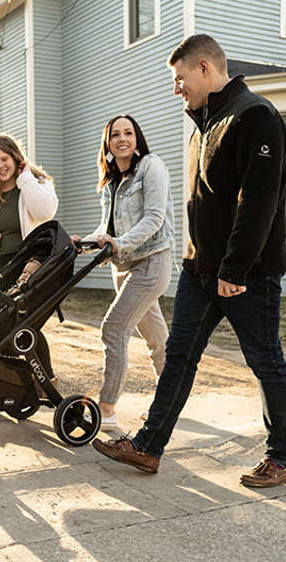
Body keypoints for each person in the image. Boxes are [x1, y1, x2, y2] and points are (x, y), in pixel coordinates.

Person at [92, 34, 286, 488]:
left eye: (179, 77)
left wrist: (234, 269)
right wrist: (202, 262)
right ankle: (148, 446)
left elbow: (258, 202)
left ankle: (282, 456)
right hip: (198, 269)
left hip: (246, 274)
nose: (176, 88)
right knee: (179, 356)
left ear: (204, 68)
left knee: (264, 361)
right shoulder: (203, 124)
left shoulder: (255, 116)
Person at [71, 114, 174, 429]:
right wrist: (82, 242)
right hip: (124, 266)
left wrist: (120, 244)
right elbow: (107, 228)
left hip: (152, 261)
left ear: (137, 138)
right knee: (157, 338)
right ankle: (171, 398)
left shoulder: (150, 167)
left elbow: (155, 217)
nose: (122, 139)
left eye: (128, 133)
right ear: (108, 143)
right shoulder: (111, 181)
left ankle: (106, 409)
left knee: (114, 329)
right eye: (115, 134)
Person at [0, 133, 58, 277]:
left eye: (4, 159)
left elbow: (46, 213)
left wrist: (24, 178)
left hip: (31, 264)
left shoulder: (37, 182)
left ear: (15, 157)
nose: (0, 165)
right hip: (1, 267)